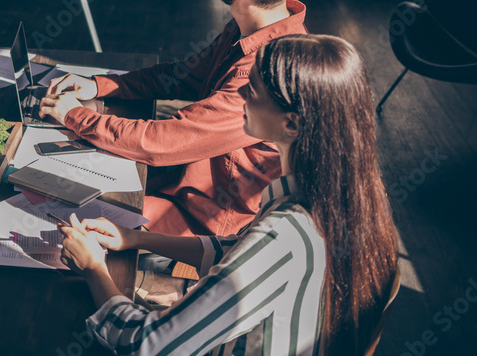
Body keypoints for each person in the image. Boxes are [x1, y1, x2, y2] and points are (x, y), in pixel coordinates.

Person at [58, 34, 399, 355]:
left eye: (255, 89)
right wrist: (135, 239)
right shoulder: (343, 196)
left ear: (292, 125)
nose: (241, 95)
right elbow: (235, 248)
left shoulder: (286, 234)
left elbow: (147, 344)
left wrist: (93, 268)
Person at [40, 0, 308, 237]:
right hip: (182, 179)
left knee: (62, 215)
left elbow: (163, 142)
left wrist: (75, 116)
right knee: (63, 184)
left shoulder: (263, 75)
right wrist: (100, 86)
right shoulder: (253, 27)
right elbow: (182, 75)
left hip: (207, 217)